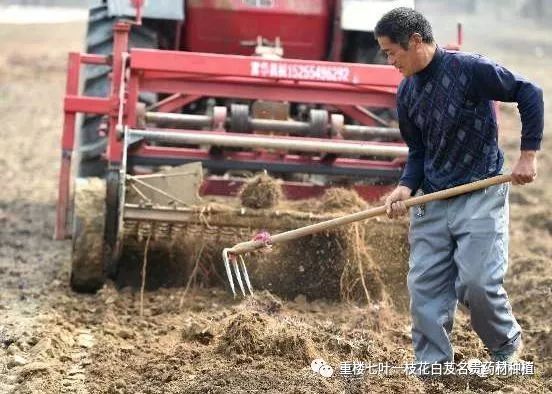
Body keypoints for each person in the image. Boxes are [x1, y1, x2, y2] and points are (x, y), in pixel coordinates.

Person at [374, 8, 544, 366]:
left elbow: (529, 92)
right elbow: (419, 150)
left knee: (477, 284)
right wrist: (406, 187)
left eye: (391, 52)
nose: (389, 60)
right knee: (424, 291)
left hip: (481, 190)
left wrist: (528, 155)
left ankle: (505, 344)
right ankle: (431, 367)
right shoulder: (406, 92)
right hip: (434, 198)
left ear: (415, 41)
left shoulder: (470, 69)